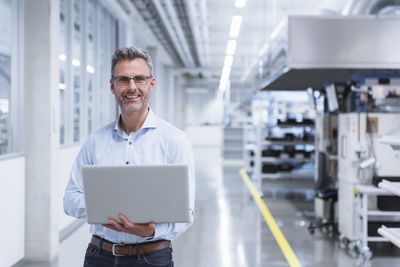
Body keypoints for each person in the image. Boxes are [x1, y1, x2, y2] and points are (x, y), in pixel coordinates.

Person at [63, 46, 195, 267]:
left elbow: (186, 213)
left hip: (152, 257)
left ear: (151, 84)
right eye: (123, 79)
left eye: (139, 79)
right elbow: (69, 199)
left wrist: (151, 230)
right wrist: (105, 209)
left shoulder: (175, 141)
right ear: (112, 86)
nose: (132, 87)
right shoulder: (96, 142)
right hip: (99, 256)